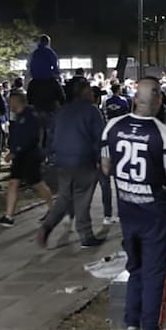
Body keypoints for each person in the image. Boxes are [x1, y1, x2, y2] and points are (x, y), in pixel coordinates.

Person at [102, 77, 166, 330]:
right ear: (160, 101)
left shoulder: (112, 126)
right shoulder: (165, 134)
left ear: (134, 99)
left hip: (128, 211)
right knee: (155, 275)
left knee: (134, 269)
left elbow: (105, 166)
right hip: (156, 214)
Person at [38, 79, 106, 248]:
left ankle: (47, 226)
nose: (92, 93)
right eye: (89, 90)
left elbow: (51, 136)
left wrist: (51, 156)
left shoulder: (62, 111)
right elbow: (100, 138)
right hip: (83, 159)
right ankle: (85, 235)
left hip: (63, 160)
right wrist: (102, 159)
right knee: (83, 197)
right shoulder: (91, 111)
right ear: (83, 92)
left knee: (64, 197)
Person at [0, 90, 54, 225]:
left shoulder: (29, 116)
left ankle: (53, 209)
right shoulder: (20, 116)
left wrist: (15, 151)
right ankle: (9, 216)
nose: (9, 104)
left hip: (29, 155)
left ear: (17, 101)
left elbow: (31, 137)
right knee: (13, 183)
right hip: (21, 155)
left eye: (11, 101)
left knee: (37, 183)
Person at [28, 34, 66, 112]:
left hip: (35, 80)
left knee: (30, 97)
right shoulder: (50, 52)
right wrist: (57, 74)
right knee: (61, 96)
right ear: (48, 42)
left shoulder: (34, 53)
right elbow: (55, 65)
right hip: (48, 78)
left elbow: (30, 65)